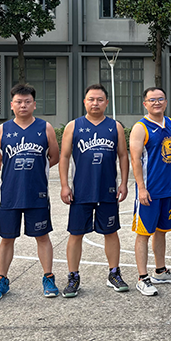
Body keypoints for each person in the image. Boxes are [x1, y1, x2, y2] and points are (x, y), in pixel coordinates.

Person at [0, 84, 61, 301]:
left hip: (37, 192)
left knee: (42, 236)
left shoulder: (45, 128)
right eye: (19, 102)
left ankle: (48, 278)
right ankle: (1, 280)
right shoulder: (2, 130)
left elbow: (54, 157)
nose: (23, 105)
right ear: (12, 105)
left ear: (34, 104)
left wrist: (35, 170)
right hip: (9, 193)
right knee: (7, 238)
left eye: (27, 102)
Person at [58, 84, 130, 298]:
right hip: (81, 190)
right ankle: (73, 276)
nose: (95, 103)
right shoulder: (74, 126)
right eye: (91, 99)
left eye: (99, 99)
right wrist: (64, 185)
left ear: (106, 102)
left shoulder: (115, 126)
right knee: (76, 233)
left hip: (107, 189)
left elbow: (123, 156)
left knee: (111, 231)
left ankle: (114, 273)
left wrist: (124, 183)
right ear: (85, 102)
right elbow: (64, 156)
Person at [129, 87, 171, 296]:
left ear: (166, 102)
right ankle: (142, 278)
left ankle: (160, 271)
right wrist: (141, 188)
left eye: (160, 99)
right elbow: (135, 160)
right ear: (145, 104)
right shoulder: (140, 127)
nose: (157, 103)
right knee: (143, 234)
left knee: (161, 231)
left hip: (167, 189)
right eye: (152, 100)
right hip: (149, 191)